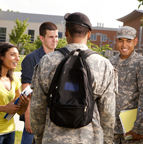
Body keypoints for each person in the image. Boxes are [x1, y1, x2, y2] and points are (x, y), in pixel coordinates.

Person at [30, 12, 117, 144]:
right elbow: (108, 112)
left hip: (53, 138)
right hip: (90, 138)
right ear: (88, 34)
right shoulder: (103, 64)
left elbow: (37, 106)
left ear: (65, 32)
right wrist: (107, 140)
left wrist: (39, 137)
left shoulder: (47, 61)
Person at [20, 22, 58, 144]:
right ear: (42, 38)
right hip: (35, 115)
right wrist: (28, 117)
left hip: (54, 117)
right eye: (51, 37)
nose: (55, 40)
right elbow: (26, 89)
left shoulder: (61, 58)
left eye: (56, 36)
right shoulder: (31, 58)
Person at [109, 26, 143, 144]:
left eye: (128, 41)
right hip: (111, 129)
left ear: (135, 41)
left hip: (132, 130)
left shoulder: (141, 63)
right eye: (120, 40)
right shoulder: (110, 62)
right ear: (116, 41)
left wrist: (139, 128)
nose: (124, 45)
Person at [0, 42, 30, 144]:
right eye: (12, 55)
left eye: (18, 55)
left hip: (10, 131)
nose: (17, 59)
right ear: (1, 56)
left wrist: (24, 105)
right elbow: (7, 108)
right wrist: (4, 108)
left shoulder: (15, 80)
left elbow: (19, 112)